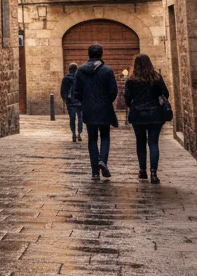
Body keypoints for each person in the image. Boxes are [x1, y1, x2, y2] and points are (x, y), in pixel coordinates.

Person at [73, 44, 118, 179]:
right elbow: (113, 91)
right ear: (101, 54)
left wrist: (84, 102)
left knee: (92, 139)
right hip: (104, 109)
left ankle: (94, 172)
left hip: (88, 109)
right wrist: (107, 101)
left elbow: (76, 91)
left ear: (89, 54)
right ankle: (102, 161)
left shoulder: (80, 71)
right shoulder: (107, 71)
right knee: (105, 136)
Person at [125, 53, 170, 184]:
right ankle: (154, 173)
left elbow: (127, 99)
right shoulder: (156, 77)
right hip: (155, 114)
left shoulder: (131, 79)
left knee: (140, 142)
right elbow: (165, 94)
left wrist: (134, 104)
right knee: (153, 143)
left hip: (138, 114)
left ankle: (142, 171)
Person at [59, 63, 82, 142]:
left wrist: (65, 100)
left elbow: (62, 91)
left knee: (72, 118)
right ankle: (79, 133)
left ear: (69, 69)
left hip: (70, 102)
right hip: (79, 102)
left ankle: (73, 134)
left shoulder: (66, 78)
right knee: (80, 118)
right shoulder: (80, 78)